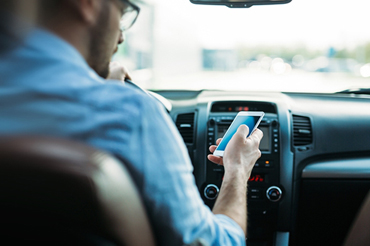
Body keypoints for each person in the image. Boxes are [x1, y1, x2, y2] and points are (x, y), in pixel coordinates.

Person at [0, 0, 263, 245]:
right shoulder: (129, 114)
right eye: (123, 12)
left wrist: (98, 82)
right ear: (88, 3)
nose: (122, 35)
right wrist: (237, 168)